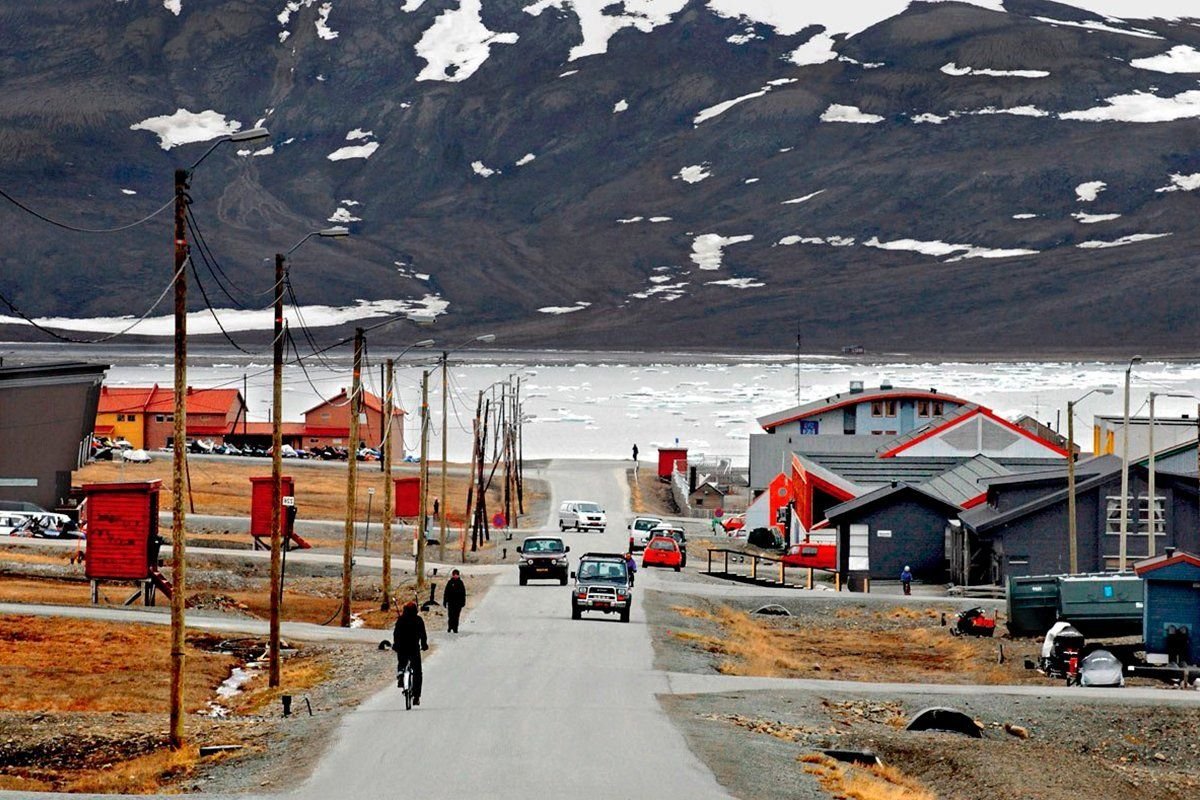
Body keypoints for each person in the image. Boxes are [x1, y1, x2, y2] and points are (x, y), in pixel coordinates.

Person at [392, 601, 428, 704]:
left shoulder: (401, 620)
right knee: (417, 672)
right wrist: (424, 645)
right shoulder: (418, 620)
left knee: (402, 662)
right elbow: (423, 634)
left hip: (402, 648)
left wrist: (396, 645)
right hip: (414, 648)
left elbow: (396, 634)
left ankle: (400, 673)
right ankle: (416, 696)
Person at [444, 569, 466, 633]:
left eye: (457, 575)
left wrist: (463, 602)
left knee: (456, 616)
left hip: (458, 603)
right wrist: (445, 601)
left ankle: (455, 628)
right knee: (450, 615)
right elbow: (446, 592)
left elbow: (463, 593)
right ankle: (450, 626)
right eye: (454, 575)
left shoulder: (460, 583)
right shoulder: (450, 582)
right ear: (452, 575)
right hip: (451, 602)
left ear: (458, 575)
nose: (455, 576)